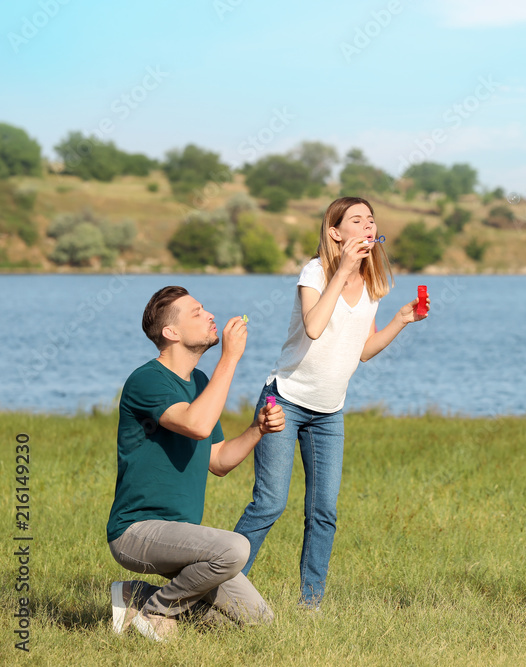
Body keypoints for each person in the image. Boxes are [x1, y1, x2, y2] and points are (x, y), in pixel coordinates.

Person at [233, 196, 429, 609]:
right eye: (356, 220)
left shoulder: (374, 282)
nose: (368, 226)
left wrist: (399, 321)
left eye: (371, 220)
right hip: (283, 400)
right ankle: (219, 588)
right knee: (269, 504)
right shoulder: (315, 272)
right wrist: (341, 270)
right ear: (335, 232)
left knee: (324, 513)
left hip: (329, 412)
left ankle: (310, 606)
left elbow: (362, 349)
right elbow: (315, 327)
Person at [108, 286, 285, 642]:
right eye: (196, 312)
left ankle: (135, 597)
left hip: (181, 537)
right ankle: (158, 612)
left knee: (259, 621)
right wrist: (231, 358)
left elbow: (218, 460)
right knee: (235, 548)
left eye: (205, 308)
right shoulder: (147, 380)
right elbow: (196, 424)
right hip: (136, 531)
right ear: (171, 333)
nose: (210, 316)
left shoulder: (200, 383)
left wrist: (256, 430)